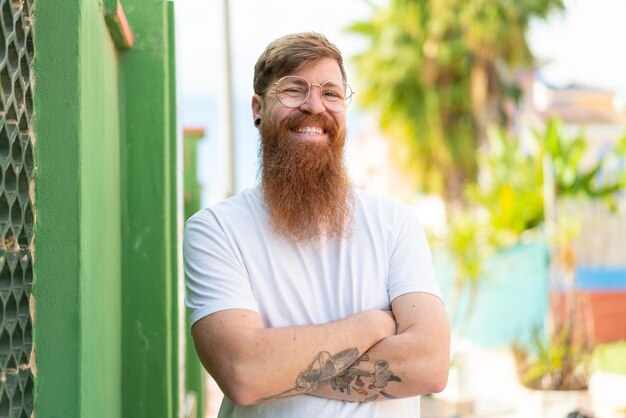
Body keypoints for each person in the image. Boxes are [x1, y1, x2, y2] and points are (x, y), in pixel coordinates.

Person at [184, 32, 450, 418]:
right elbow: (243, 374)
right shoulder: (215, 231)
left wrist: (278, 366)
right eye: (293, 90)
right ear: (258, 108)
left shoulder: (395, 222)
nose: (314, 106)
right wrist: (373, 325)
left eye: (331, 93)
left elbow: (430, 364)